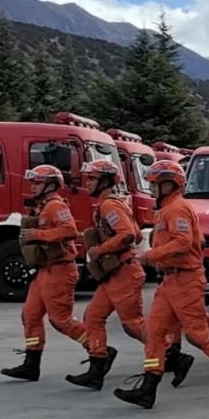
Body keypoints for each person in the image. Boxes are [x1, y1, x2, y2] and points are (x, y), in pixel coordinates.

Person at [113, 160, 209, 409]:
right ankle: (148, 388)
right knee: (154, 331)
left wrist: (150, 256)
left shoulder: (176, 208)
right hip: (171, 279)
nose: (151, 188)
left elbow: (183, 242)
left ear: (168, 185)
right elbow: (195, 241)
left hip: (185, 279)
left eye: (154, 184)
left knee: (197, 333)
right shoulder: (168, 209)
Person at [0, 165, 89, 381]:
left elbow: (69, 230)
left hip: (59, 269)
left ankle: (98, 350)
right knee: (30, 315)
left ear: (50, 185)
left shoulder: (56, 205)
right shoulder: (43, 206)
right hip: (44, 270)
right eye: (33, 183)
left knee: (60, 320)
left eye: (37, 183)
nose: (32, 187)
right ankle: (31, 364)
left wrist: (37, 235)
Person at [66, 160, 145, 390]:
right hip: (115, 273)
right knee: (93, 316)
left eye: (92, 179)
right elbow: (137, 234)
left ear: (105, 181)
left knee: (132, 324)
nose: (88, 183)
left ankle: (171, 353)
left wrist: (100, 250)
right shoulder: (111, 204)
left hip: (124, 272)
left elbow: (128, 235)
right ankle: (96, 368)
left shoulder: (109, 205)